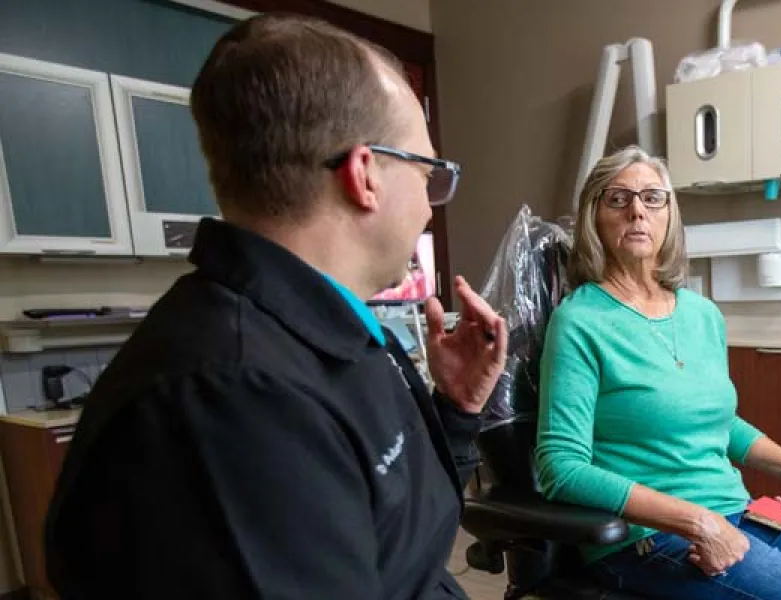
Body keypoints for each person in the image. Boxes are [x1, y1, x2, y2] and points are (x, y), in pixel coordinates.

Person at [44, 13, 507, 600]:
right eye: (427, 171)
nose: (429, 203)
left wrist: (458, 411)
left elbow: (398, 535)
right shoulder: (234, 399)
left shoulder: (335, 333)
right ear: (366, 175)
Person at [534, 144, 781, 599]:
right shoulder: (579, 321)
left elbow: (717, 423)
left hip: (740, 512)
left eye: (652, 197)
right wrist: (697, 521)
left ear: (670, 213)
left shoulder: (701, 314)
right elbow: (560, 468)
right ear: (595, 216)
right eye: (617, 198)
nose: (636, 211)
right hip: (650, 540)